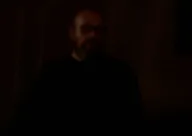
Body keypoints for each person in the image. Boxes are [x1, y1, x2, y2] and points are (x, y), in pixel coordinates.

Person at [13, 9, 143, 132]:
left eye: (99, 30)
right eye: (86, 29)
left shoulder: (121, 74)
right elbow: (28, 118)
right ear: (72, 33)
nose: (93, 35)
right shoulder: (51, 74)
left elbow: (134, 121)